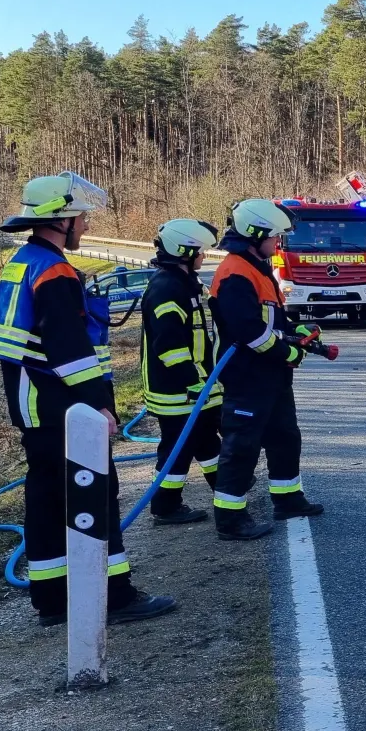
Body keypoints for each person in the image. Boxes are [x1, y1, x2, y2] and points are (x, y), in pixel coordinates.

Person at [0, 172, 177, 625]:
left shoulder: (26, 259)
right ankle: (115, 595)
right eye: (82, 218)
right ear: (61, 220)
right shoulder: (54, 271)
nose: (86, 226)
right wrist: (98, 404)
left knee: (48, 501)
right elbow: (68, 349)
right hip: (63, 406)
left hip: (36, 405)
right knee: (95, 496)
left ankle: (51, 600)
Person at [209, 198, 325, 539]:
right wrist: (286, 352)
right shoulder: (234, 272)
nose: (278, 244)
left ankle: (288, 498)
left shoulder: (257, 268)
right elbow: (247, 330)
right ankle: (231, 520)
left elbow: (272, 319)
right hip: (247, 375)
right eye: (275, 237)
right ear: (254, 233)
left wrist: (295, 331)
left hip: (270, 375)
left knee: (284, 438)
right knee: (241, 446)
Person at [140, 218, 224, 525]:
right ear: (183, 250)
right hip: (177, 390)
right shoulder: (167, 289)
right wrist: (192, 382)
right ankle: (165, 506)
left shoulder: (184, 283)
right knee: (177, 450)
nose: (203, 256)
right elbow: (170, 346)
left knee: (206, 442)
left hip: (196, 385)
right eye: (199, 250)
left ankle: (227, 490)